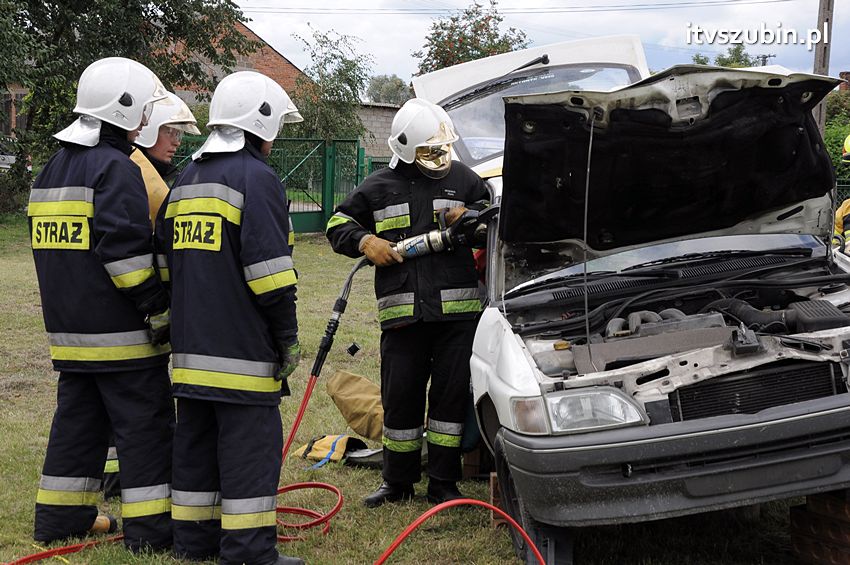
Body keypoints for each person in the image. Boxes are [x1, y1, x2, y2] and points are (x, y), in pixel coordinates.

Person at [155, 70, 304, 565]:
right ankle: (248, 550)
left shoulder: (185, 179)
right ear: (261, 124)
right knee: (249, 452)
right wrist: (286, 336)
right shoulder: (257, 180)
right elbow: (271, 277)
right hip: (242, 355)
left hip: (191, 353)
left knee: (195, 446)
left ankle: (193, 542)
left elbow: (163, 264)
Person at [27, 57, 174, 552]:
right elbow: (124, 254)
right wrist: (158, 307)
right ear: (124, 108)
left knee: (78, 428)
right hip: (122, 337)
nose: (146, 118)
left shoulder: (53, 167)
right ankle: (151, 534)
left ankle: (59, 519)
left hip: (70, 334)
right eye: (144, 109)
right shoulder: (116, 167)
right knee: (145, 431)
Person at [326, 98, 490, 508]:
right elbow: (337, 223)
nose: (439, 157)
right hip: (403, 318)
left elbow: (493, 215)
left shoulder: (464, 179)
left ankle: (443, 483)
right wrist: (366, 240)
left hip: (457, 317)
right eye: (429, 151)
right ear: (405, 148)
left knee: (449, 401)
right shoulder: (378, 186)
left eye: (441, 148)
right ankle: (397, 483)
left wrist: (472, 217)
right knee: (401, 400)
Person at [100, 91, 200, 501]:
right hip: (135, 308)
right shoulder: (137, 173)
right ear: (144, 130)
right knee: (139, 403)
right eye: (169, 131)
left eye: (179, 133)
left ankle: (116, 475)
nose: (176, 140)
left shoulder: (137, 168)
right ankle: (130, 479)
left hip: (119, 309)